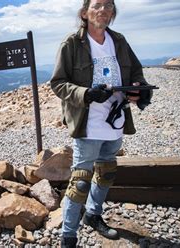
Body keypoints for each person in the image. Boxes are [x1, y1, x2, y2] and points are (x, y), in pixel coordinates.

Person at [50, 0, 152, 247]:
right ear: (85, 13)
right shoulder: (72, 43)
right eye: (97, 5)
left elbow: (137, 73)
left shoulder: (119, 40)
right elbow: (58, 83)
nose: (104, 9)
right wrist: (85, 94)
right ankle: (68, 237)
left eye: (108, 5)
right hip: (88, 124)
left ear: (113, 13)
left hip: (115, 121)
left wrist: (141, 89)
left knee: (106, 172)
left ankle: (94, 216)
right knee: (81, 181)